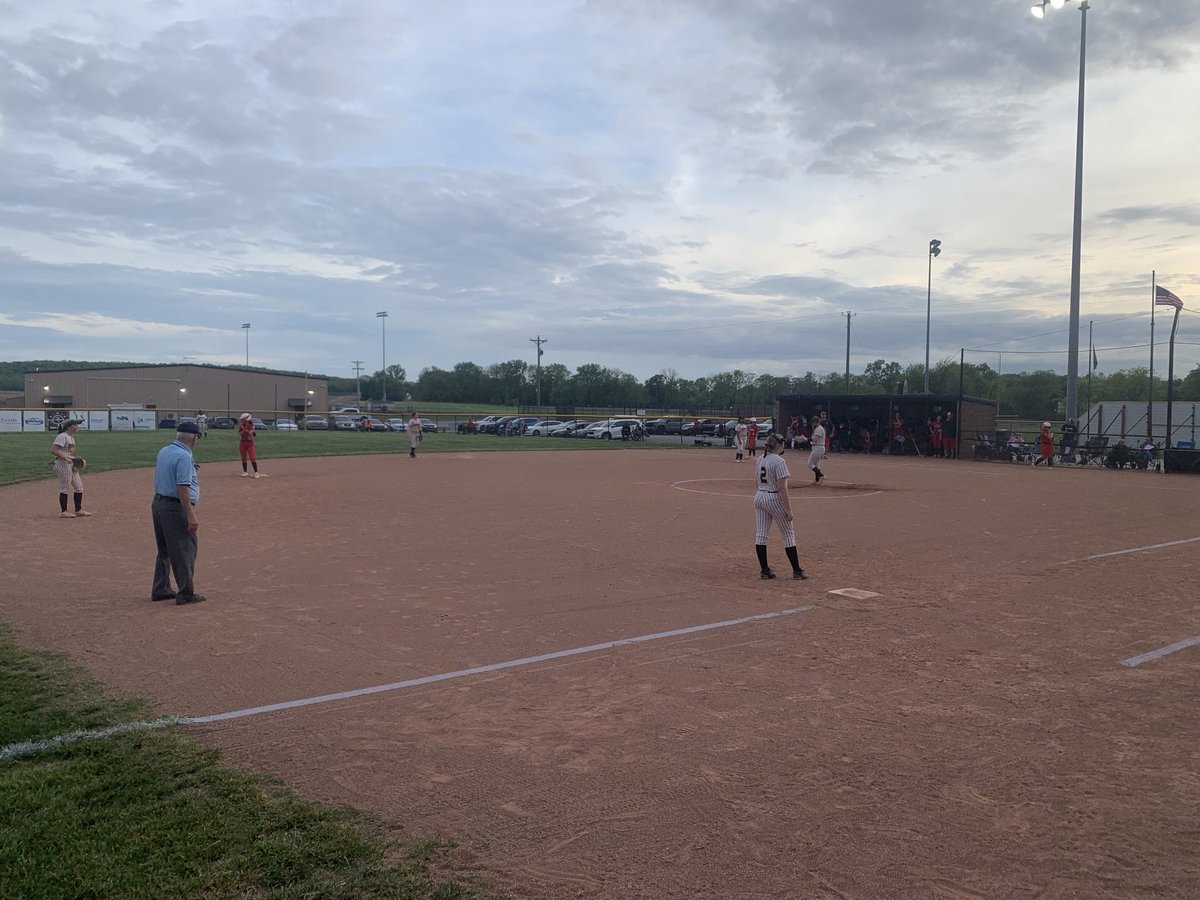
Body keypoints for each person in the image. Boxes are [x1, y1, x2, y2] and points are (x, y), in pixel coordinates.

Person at [151, 421, 205, 604]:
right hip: (175, 508)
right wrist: (191, 514)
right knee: (184, 550)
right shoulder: (183, 457)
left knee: (164, 550)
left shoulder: (165, 450)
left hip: (159, 504)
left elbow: (168, 472)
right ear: (194, 438)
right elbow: (182, 488)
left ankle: (161, 589)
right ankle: (186, 593)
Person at [753, 433, 808, 581]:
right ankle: (797, 571)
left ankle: (764, 570)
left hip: (759, 496)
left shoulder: (760, 459)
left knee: (761, 534)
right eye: (782, 444)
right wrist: (788, 510)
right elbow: (782, 488)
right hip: (773, 497)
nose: (783, 446)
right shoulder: (779, 461)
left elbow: (756, 482)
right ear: (777, 446)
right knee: (788, 534)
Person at [50, 419, 92, 518]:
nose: (77, 427)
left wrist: (74, 459)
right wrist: (65, 458)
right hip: (62, 463)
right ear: (69, 427)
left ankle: (78, 510)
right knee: (65, 487)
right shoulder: (62, 436)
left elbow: (68, 452)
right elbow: (53, 450)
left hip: (70, 464)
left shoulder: (70, 438)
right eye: (75, 425)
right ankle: (64, 512)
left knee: (79, 486)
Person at [236, 413, 264, 477]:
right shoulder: (242, 425)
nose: (242, 420)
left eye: (243, 419)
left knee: (252, 457)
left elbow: (252, 433)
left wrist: (248, 431)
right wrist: (244, 431)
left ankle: (256, 472)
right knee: (243, 458)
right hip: (242, 443)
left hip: (250, 443)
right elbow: (240, 433)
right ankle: (245, 472)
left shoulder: (251, 425)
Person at [808, 415, 827, 484]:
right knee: (816, 464)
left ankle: (821, 475)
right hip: (819, 447)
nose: (813, 424)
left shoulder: (819, 429)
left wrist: (805, 439)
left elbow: (815, 439)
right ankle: (817, 480)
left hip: (818, 447)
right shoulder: (819, 428)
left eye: (813, 423)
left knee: (810, 464)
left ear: (816, 422)